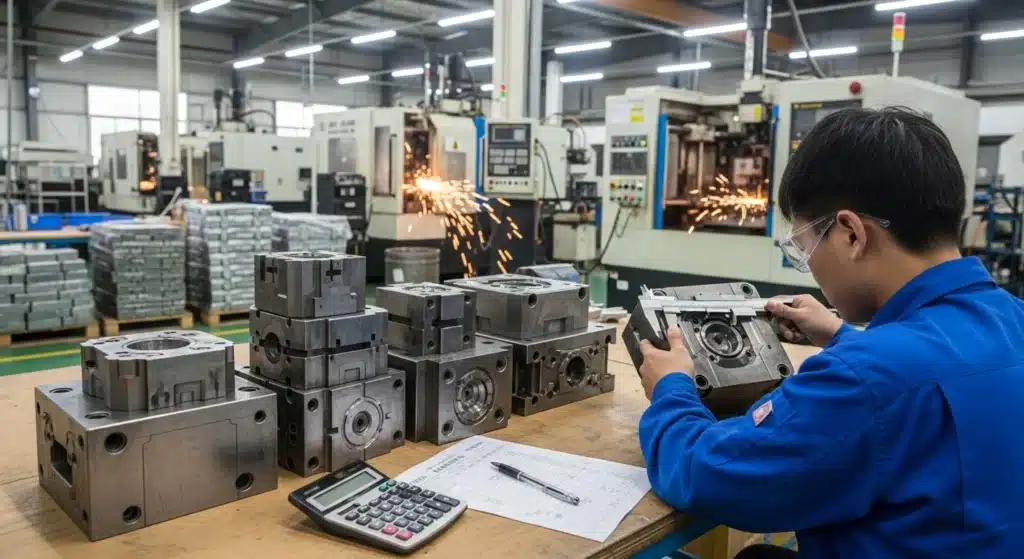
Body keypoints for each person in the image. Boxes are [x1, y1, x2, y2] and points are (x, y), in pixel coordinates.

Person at [636, 107, 1024, 558]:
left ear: (851, 234)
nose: (810, 266)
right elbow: (931, 373)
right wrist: (842, 335)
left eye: (803, 247)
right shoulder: (1012, 318)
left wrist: (671, 390)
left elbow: (708, 475)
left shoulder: (861, 380)